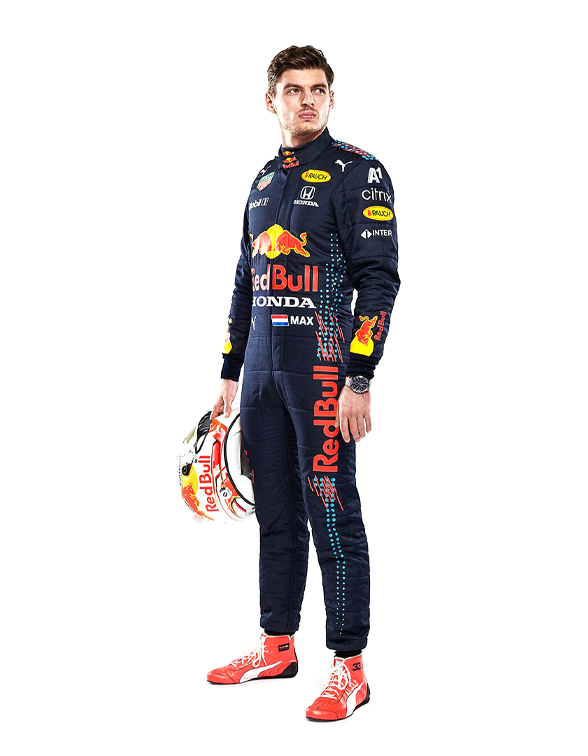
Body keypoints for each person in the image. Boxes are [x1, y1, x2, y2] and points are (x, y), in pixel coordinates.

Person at [208, 45, 400, 721]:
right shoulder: (263, 180)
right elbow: (245, 280)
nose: (308, 100)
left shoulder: (358, 172)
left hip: (322, 372)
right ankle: (276, 645)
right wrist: (229, 374)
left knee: (332, 512)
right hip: (262, 373)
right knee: (275, 513)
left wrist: (359, 377)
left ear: (331, 98)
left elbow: (379, 282)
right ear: (273, 101)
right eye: (294, 90)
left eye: (318, 89)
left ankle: (349, 667)